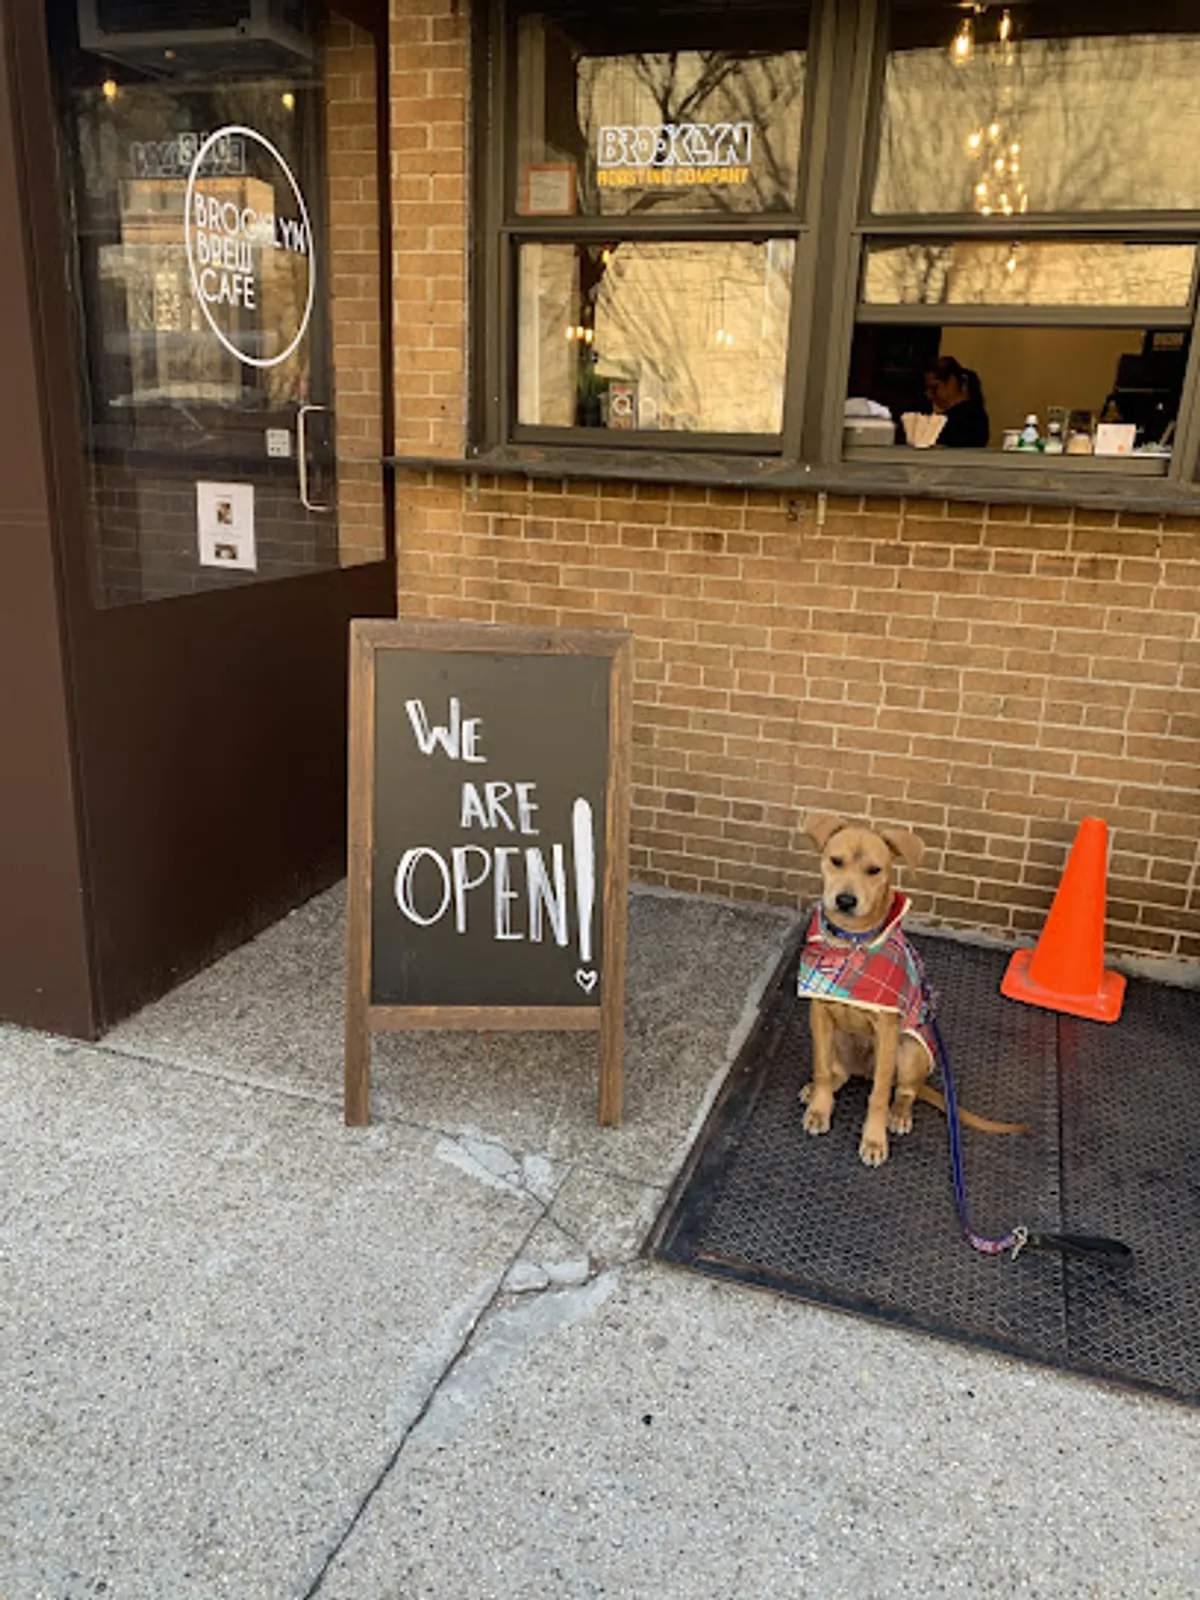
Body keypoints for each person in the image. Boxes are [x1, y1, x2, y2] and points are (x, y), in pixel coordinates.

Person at [924, 356, 989, 448]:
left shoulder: (968, 418)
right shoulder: (975, 413)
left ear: (951, 383)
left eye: (934, 388)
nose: (929, 395)